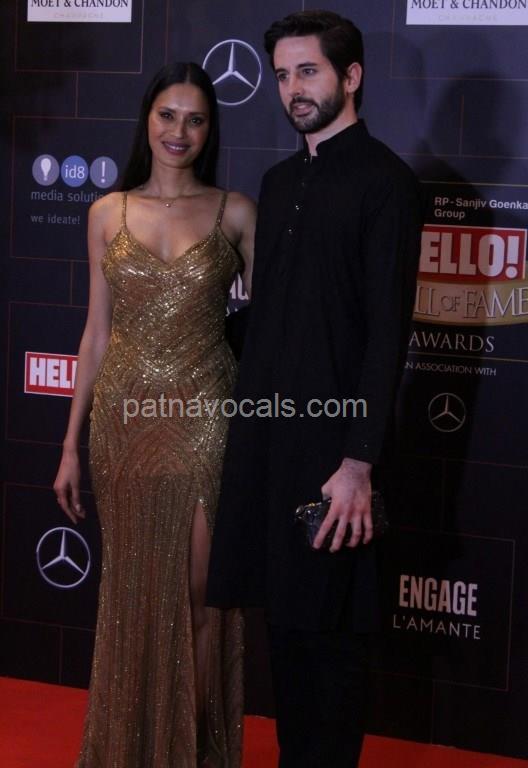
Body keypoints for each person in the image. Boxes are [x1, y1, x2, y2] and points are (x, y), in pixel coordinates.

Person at [206, 10, 423, 768]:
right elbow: (273, 320)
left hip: (337, 458)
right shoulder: (276, 182)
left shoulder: (387, 183)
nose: (292, 88)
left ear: (350, 76)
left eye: (309, 71)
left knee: (333, 642)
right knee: (288, 638)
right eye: (282, 74)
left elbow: (388, 333)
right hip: (272, 445)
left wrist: (359, 462)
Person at [53, 61, 256, 768]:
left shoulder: (237, 212)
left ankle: (193, 751)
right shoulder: (106, 212)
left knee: (202, 595)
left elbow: (273, 324)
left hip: (206, 417)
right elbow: (96, 333)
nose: (179, 131)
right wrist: (70, 445)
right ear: (147, 118)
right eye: (168, 115)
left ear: (210, 129)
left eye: (195, 119)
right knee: (134, 595)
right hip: (124, 422)